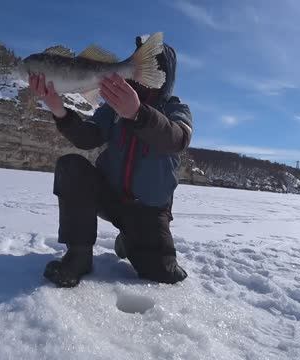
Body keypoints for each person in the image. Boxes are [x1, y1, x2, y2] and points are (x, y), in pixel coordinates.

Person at [28, 36, 193, 288]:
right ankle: (79, 256)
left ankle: (129, 239)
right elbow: (88, 137)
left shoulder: (176, 109)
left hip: (148, 212)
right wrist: (59, 110)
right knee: (72, 166)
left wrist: (138, 114)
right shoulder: (112, 107)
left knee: (164, 274)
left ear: (166, 75)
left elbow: (177, 139)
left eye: (155, 66)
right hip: (109, 198)